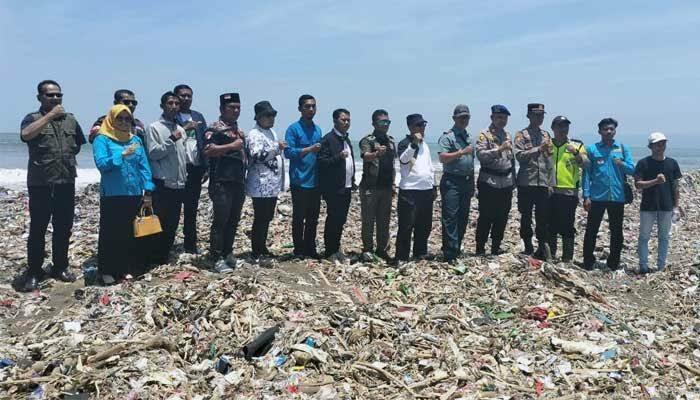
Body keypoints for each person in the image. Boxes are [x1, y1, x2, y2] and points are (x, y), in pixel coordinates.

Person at [17, 80, 86, 292]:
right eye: (50, 95)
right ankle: (34, 271)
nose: (56, 99)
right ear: (40, 98)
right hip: (41, 183)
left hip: (65, 181)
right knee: (38, 228)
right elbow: (26, 135)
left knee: (63, 228)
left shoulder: (71, 120)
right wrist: (50, 116)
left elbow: (78, 144)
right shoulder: (33, 119)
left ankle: (60, 266)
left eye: (58, 95)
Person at [92, 105, 154, 284]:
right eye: (120, 118)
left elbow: (144, 167)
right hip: (112, 194)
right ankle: (107, 270)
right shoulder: (102, 139)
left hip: (134, 193)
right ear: (112, 119)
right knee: (111, 233)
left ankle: (125, 268)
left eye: (128, 119)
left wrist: (148, 190)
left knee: (129, 233)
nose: (124, 122)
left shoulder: (135, 140)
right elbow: (102, 165)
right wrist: (121, 155)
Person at [581, 117, 634, 272]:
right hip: (597, 197)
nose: (609, 131)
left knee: (617, 231)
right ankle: (588, 261)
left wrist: (621, 164)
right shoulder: (592, 149)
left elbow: (632, 169)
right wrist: (586, 195)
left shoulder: (622, 148)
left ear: (615, 130)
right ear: (600, 131)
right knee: (592, 230)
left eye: (611, 129)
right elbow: (586, 174)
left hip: (617, 197)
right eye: (606, 129)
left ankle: (613, 263)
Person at [204, 93, 247, 273]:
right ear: (222, 109)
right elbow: (207, 151)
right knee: (220, 220)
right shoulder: (215, 129)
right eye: (232, 107)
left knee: (233, 219)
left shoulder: (238, 130)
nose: (236, 111)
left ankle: (228, 252)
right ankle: (216, 257)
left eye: (238, 107)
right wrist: (231, 146)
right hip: (221, 181)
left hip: (238, 181)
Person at [145, 91, 187, 265]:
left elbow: (183, 155)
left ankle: (165, 256)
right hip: (162, 182)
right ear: (162, 106)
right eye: (170, 103)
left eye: (177, 104)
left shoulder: (181, 129)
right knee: (159, 221)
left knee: (173, 223)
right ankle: (153, 257)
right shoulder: (154, 127)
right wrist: (170, 140)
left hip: (179, 183)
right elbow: (153, 153)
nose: (174, 106)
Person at [634, 132, 682, 274]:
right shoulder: (643, 163)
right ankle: (643, 265)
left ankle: (660, 266)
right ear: (650, 146)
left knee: (664, 237)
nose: (661, 146)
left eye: (663, 143)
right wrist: (655, 181)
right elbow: (638, 184)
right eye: (657, 144)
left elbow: (675, 186)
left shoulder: (672, 163)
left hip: (666, 206)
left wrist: (676, 206)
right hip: (648, 206)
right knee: (644, 237)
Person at [513, 103, 555, 259]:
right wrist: (537, 149)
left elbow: (550, 160)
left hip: (543, 183)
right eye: (536, 115)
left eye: (542, 115)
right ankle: (528, 245)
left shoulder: (546, 135)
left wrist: (551, 182)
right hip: (526, 182)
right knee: (525, 216)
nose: (539, 118)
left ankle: (542, 247)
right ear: (529, 116)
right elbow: (519, 156)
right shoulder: (521, 135)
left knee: (542, 218)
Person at [284, 94, 323, 259]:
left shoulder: (318, 129)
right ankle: (298, 249)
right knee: (299, 217)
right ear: (300, 109)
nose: (311, 109)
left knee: (313, 218)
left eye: (313, 106)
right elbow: (288, 152)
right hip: (299, 180)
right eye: (307, 106)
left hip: (315, 181)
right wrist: (308, 149)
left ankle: (310, 248)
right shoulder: (293, 129)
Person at [246, 101, 285, 261]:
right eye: (268, 116)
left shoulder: (271, 133)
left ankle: (262, 246)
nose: (271, 119)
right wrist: (276, 149)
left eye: (273, 115)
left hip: (272, 184)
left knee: (267, 217)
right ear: (259, 117)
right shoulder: (254, 134)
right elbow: (256, 155)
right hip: (260, 184)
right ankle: (256, 249)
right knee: (260, 217)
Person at [475, 105, 516, 256]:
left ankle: (496, 246)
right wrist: (499, 149)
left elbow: (511, 160)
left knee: (502, 216)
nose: (502, 120)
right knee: (486, 215)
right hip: (489, 181)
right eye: (499, 117)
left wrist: (514, 181)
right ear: (492, 117)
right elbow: (481, 156)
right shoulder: (484, 135)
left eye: (504, 118)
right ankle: (480, 247)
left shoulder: (507, 135)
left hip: (506, 181)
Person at [394, 114, 435, 263]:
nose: (422, 128)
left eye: (423, 125)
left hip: (426, 190)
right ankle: (402, 256)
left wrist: (434, 185)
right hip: (409, 190)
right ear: (410, 127)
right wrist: (414, 144)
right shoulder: (405, 143)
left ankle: (420, 252)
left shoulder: (426, 144)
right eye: (418, 125)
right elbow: (404, 160)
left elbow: (430, 166)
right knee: (406, 225)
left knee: (424, 224)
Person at [547, 116, 589, 262]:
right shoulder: (547, 144)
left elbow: (586, 164)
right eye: (559, 126)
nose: (562, 130)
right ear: (553, 128)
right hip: (550, 190)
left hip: (569, 191)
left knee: (567, 226)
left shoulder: (576, 144)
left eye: (565, 126)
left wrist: (576, 153)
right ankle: (550, 255)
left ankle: (567, 258)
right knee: (550, 225)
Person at [438, 104, 475, 263]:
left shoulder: (468, 136)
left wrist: (472, 182)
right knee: (450, 217)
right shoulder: (448, 137)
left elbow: (471, 162)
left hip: (466, 181)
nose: (464, 120)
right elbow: (443, 157)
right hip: (452, 181)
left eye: (466, 117)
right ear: (454, 118)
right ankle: (450, 252)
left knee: (463, 217)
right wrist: (461, 152)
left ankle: (457, 247)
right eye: (461, 117)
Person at [174, 84, 208, 254]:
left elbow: (205, 142)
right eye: (182, 95)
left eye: (189, 96)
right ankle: (166, 244)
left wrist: (206, 166)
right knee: (172, 209)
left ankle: (190, 244)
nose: (186, 98)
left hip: (195, 168)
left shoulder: (198, 116)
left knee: (191, 209)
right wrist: (185, 129)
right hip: (177, 169)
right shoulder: (172, 116)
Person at [358, 109, 396, 261]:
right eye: (382, 122)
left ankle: (382, 249)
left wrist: (393, 184)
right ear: (374, 123)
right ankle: (367, 249)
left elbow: (393, 164)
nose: (385, 125)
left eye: (387, 122)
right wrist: (376, 153)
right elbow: (365, 157)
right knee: (368, 219)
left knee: (384, 220)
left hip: (386, 187)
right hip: (370, 187)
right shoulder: (368, 140)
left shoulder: (391, 141)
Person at [318, 108, 355, 261]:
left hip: (346, 186)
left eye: (348, 120)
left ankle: (337, 248)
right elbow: (321, 162)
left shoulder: (346, 139)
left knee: (341, 219)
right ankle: (330, 251)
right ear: (335, 121)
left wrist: (353, 181)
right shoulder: (328, 139)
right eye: (343, 120)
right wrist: (338, 157)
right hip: (333, 187)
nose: (346, 122)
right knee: (333, 219)